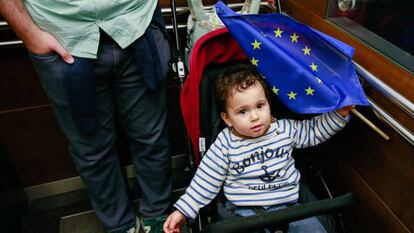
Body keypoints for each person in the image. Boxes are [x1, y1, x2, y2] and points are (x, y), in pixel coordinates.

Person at [0, 1, 172, 233]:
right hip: (63, 36)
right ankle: (120, 226)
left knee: (151, 135)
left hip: (136, 22)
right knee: (91, 150)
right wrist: (30, 34)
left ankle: (158, 217)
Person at [163, 65, 353, 233]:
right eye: (243, 111)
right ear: (227, 118)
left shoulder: (283, 129)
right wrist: (183, 211)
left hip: (291, 208)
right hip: (245, 215)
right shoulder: (225, 145)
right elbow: (205, 181)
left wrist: (338, 114)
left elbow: (314, 131)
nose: (254, 117)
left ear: (268, 104)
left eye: (260, 106)